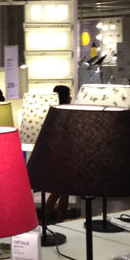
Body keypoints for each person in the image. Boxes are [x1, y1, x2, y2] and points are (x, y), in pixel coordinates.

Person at [46, 84, 75, 222]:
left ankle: (48, 219)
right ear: (67, 98)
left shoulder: (53, 113)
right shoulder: (68, 114)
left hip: (56, 156)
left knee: (59, 191)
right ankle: (59, 219)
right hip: (66, 156)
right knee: (63, 192)